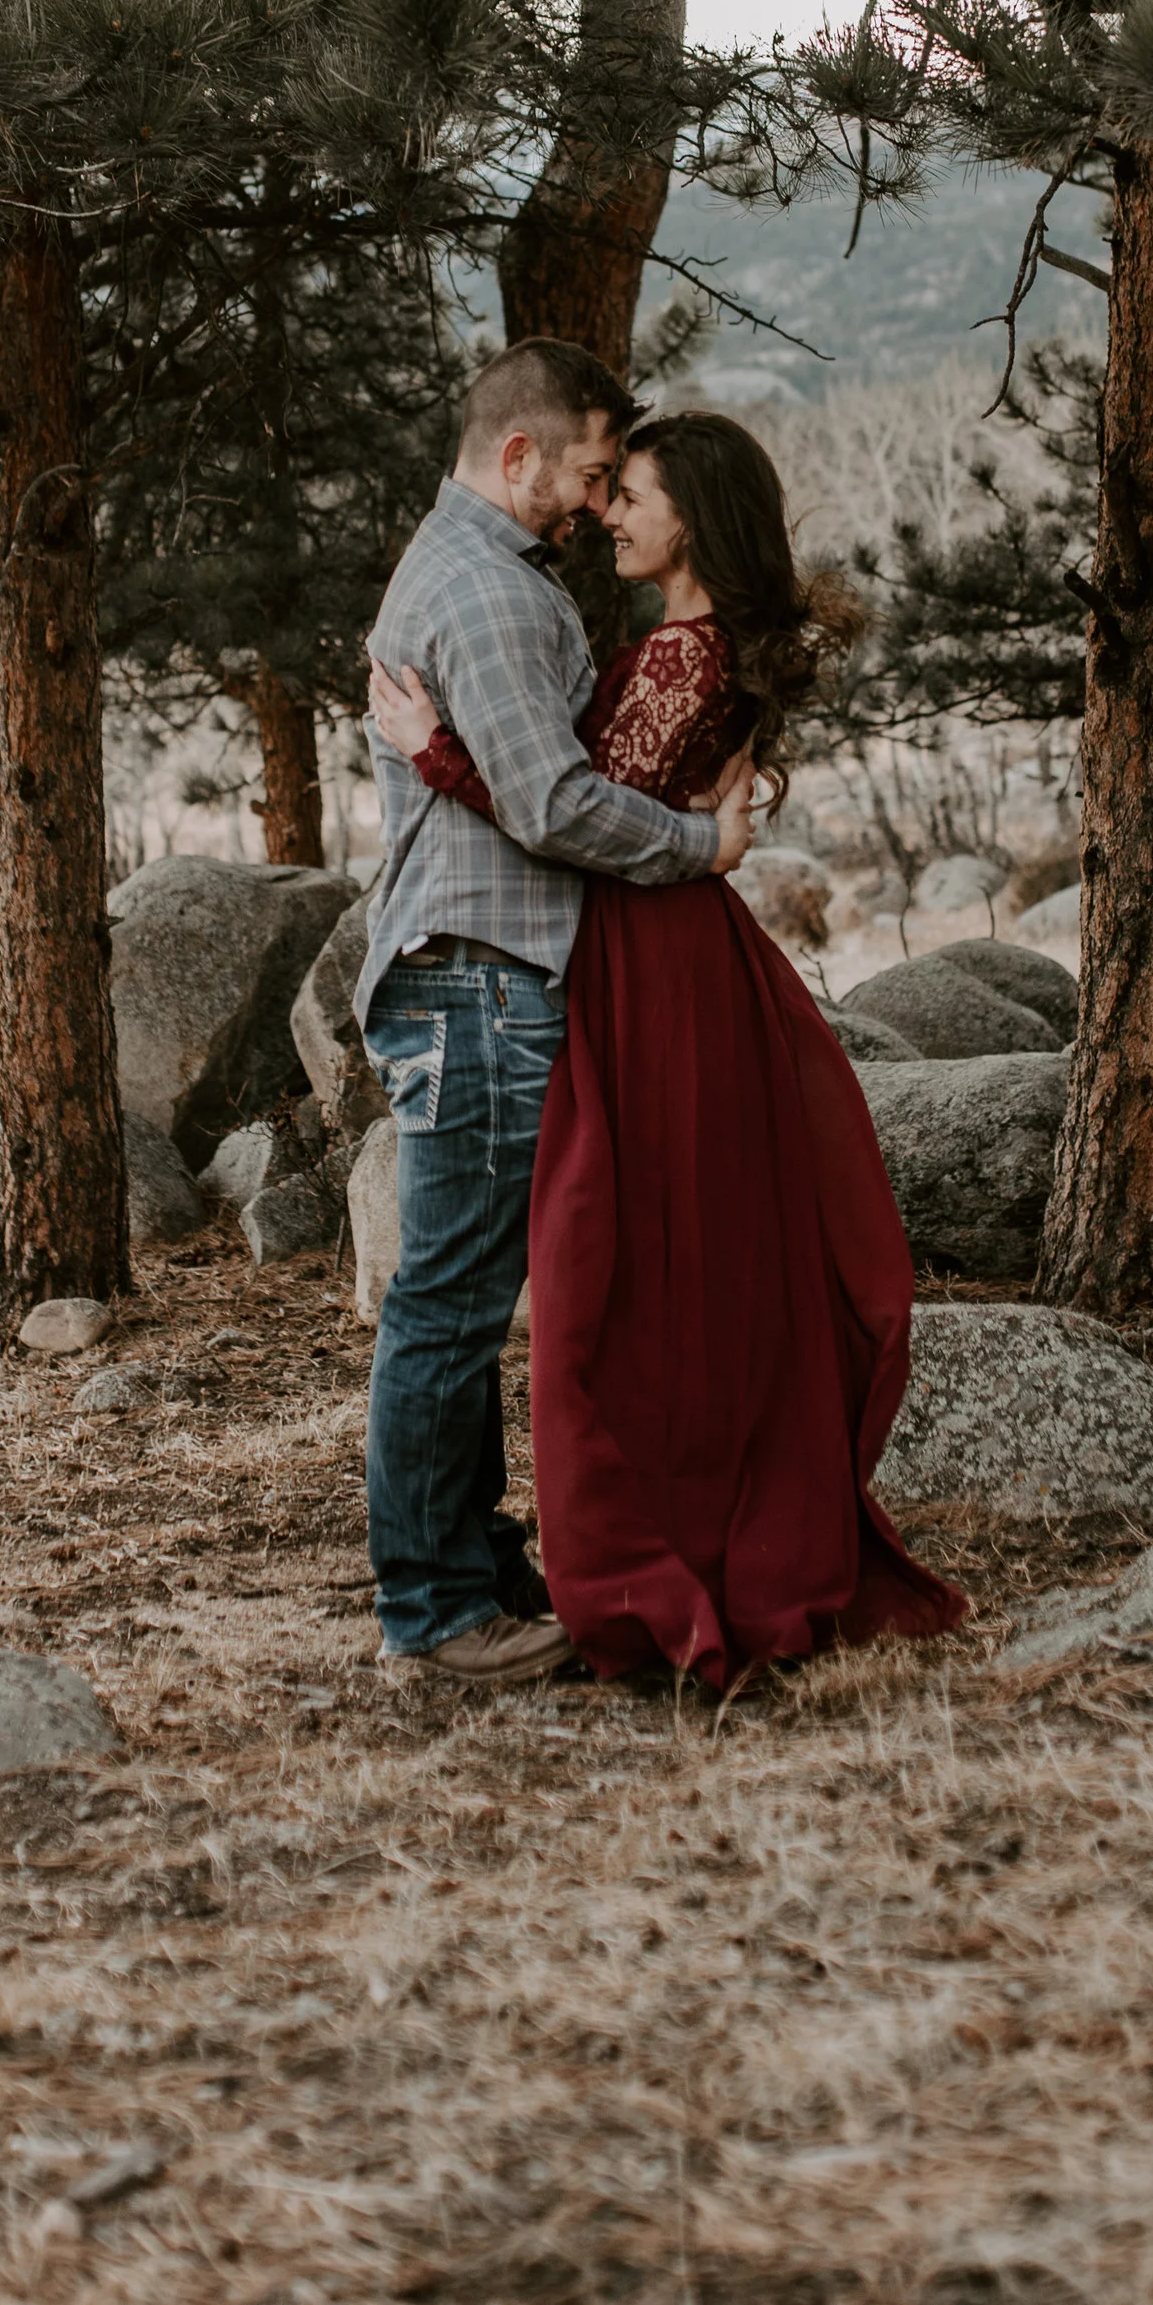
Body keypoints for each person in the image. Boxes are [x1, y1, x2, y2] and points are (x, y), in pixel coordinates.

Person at [368, 405, 966, 1694]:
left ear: (692, 509)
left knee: (628, 1276)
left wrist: (438, 756)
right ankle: (584, 1553)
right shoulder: (671, 646)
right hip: (647, 956)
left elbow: (576, 812)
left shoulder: (688, 659)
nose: (610, 514)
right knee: (630, 1272)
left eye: (628, 492)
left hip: (658, 966)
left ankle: (639, 1557)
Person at [355, 339, 759, 1689]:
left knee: (458, 1301)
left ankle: (468, 1577)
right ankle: (435, 1615)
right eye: (588, 473)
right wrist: (695, 849)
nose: (595, 503)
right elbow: (554, 804)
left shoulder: (492, 576)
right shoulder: (483, 595)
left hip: (475, 968)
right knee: (451, 1307)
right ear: (517, 454)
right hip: (475, 972)